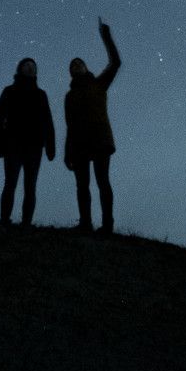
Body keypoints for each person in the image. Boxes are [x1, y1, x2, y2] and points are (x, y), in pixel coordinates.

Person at [64, 19, 122, 233]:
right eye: (73, 65)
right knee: (82, 186)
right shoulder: (69, 96)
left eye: (79, 63)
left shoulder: (98, 84)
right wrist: (66, 152)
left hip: (99, 140)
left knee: (102, 181)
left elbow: (115, 63)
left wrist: (106, 37)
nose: (76, 66)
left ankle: (107, 225)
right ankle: (85, 223)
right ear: (71, 72)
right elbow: (69, 125)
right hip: (79, 144)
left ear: (86, 68)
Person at [0, 57, 55, 225]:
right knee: (10, 183)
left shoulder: (41, 95)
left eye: (33, 66)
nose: (30, 68)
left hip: (34, 147)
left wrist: (50, 146)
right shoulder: (9, 91)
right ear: (20, 69)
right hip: (13, 144)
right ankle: (4, 219)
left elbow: (47, 121)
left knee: (30, 186)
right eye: (26, 65)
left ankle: (26, 222)